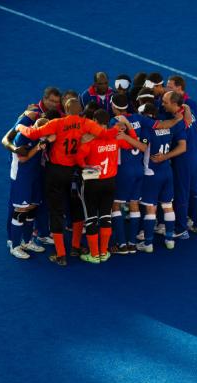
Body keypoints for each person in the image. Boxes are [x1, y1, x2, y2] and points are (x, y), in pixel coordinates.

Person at [16, 98, 125, 265]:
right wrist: (119, 126)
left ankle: (61, 255)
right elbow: (106, 134)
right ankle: (75, 246)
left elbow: (33, 134)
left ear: (66, 111)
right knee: (77, 209)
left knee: (56, 211)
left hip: (57, 172)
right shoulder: (86, 123)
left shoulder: (58, 123)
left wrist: (19, 126)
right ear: (80, 110)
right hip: (77, 172)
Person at [76, 109, 140, 263]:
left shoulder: (90, 139)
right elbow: (133, 144)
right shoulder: (115, 137)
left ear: (95, 122)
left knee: (91, 218)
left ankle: (94, 254)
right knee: (106, 217)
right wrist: (128, 126)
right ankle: (104, 253)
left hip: (92, 180)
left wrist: (87, 166)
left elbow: (79, 159)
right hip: (110, 182)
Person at [136, 102, 186, 252]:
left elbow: (141, 148)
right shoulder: (167, 127)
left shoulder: (146, 129)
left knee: (151, 209)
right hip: (167, 170)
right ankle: (170, 240)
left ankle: (148, 244)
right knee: (167, 206)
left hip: (151, 173)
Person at [166, 76, 197, 236]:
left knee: (182, 190)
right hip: (194, 153)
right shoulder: (192, 105)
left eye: (169, 87)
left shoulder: (179, 109)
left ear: (179, 88)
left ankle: (181, 229)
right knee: (194, 188)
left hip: (183, 155)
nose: (166, 88)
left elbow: (184, 124)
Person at [6, 117, 53, 259]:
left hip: (35, 175)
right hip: (22, 178)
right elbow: (23, 158)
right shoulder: (22, 136)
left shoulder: (42, 136)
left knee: (31, 209)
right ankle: (14, 246)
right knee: (21, 211)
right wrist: (38, 146)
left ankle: (27, 241)